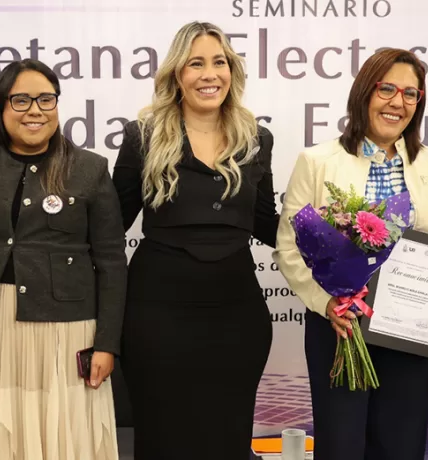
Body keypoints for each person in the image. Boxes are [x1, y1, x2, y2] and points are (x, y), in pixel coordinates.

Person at [0, 58, 126, 460]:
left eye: (46, 99)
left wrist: (107, 345)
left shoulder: (89, 168)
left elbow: (113, 263)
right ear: (1, 108)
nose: (35, 110)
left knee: (63, 436)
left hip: (66, 332)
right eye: (22, 100)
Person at [273, 48, 428, 460]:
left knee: (401, 443)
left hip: (410, 325)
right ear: (364, 93)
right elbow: (289, 245)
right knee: (341, 444)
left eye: (411, 94)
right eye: (387, 89)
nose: (398, 102)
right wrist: (327, 304)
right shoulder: (318, 160)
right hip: (341, 325)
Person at [112, 21, 278, 459]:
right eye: (196, 64)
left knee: (228, 435)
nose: (210, 74)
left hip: (236, 315)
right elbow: (110, 226)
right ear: (177, 75)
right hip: (157, 315)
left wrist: (336, 240)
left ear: (232, 71)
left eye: (219, 62)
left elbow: (267, 223)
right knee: (163, 437)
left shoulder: (257, 139)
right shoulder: (142, 137)